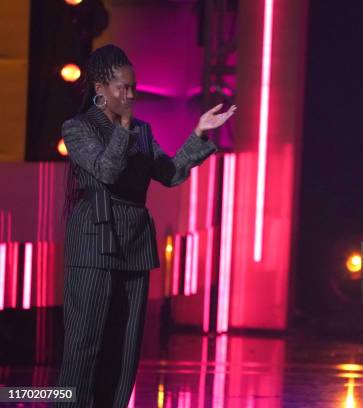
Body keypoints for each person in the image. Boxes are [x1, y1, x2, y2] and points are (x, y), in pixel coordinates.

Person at [56, 44, 236, 408]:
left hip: (135, 245)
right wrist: (122, 130)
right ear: (101, 90)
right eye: (123, 87)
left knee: (124, 349)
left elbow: (169, 174)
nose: (131, 94)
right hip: (95, 241)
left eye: (134, 87)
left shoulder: (142, 129)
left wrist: (199, 133)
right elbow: (106, 171)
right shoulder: (77, 128)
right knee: (84, 345)